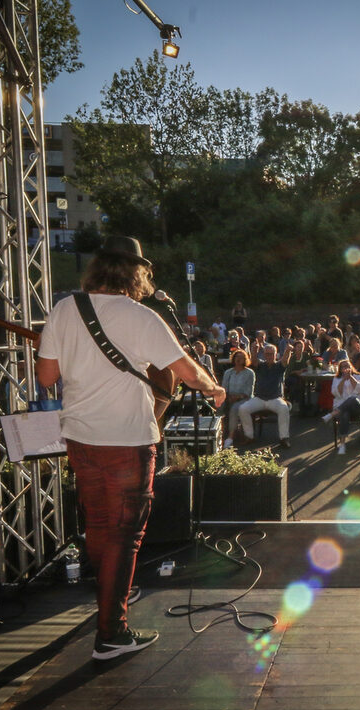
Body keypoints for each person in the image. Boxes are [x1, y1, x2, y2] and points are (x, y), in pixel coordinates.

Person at [36, 236, 226, 660]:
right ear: (136, 274)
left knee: (101, 526)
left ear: (97, 269)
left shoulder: (65, 308)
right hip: (127, 439)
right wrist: (213, 387)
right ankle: (111, 633)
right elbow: (186, 372)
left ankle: (111, 598)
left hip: (81, 439)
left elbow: (46, 377)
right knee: (125, 534)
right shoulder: (141, 316)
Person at [238, 342, 294, 448]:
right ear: (264, 355)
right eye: (267, 354)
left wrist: (288, 350)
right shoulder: (260, 365)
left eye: (271, 354)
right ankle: (249, 436)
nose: (269, 356)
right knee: (243, 409)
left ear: (275, 355)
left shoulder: (279, 366)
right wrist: (254, 349)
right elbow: (253, 360)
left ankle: (284, 438)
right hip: (259, 398)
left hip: (275, 398)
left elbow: (285, 360)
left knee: (284, 408)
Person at [322, 359, 360, 455]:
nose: (346, 368)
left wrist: (351, 377)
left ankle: (332, 414)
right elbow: (335, 393)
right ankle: (342, 444)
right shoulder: (337, 378)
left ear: (351, 367)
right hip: (342, 408)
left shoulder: (358, 376)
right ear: (340, 369)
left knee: (352, 399)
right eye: (343, 367)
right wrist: (343, 379)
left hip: (358, 407)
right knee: (344, 414)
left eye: (347, 366)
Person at [221, 349, 255, 448]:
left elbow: (249, 391)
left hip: (244, 398)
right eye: (236, 357)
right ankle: (218, 432)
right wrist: (228, 397)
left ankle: (230, 437)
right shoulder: (228, 372)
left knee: (235, 408)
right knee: (217, 406)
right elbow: (224, 388)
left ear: (245, 360)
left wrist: (237, 397)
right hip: (228, 397)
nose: (238, 359)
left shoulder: (250, 373)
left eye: (241, 358)